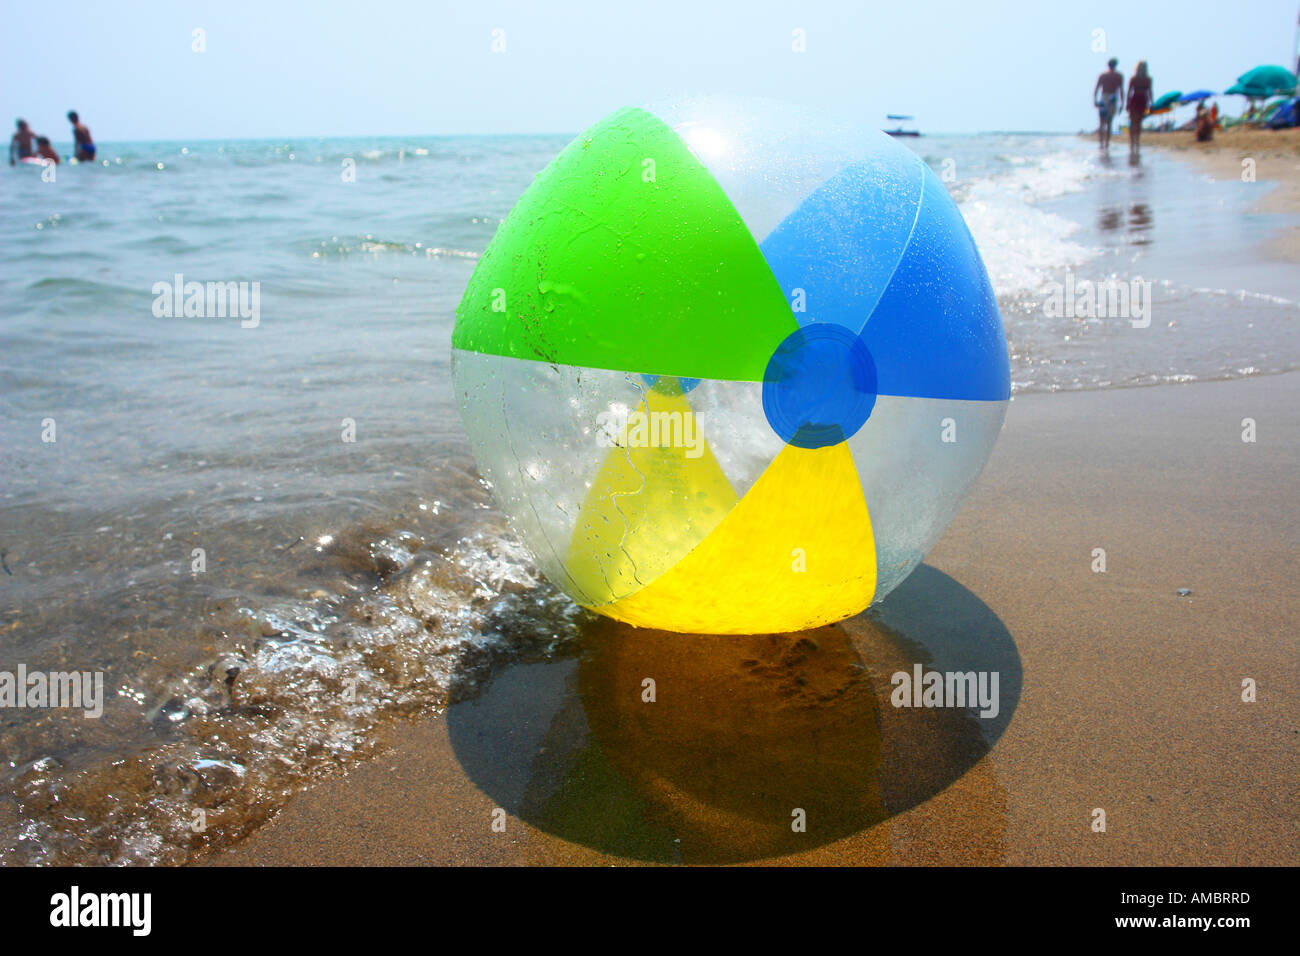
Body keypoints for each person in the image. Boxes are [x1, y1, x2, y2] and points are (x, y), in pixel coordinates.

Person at [1093, 58, 1125, 150]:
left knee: (1102, 122)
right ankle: (1106, 143)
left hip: (1105, 97)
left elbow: (1097, 88)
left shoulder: (1103, 75)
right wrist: (1122, 103)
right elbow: (1121, 90)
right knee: (1108, 122)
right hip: (1112, 98)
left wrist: (1095, 100)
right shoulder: (1118, 76)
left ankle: (1102, 143)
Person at [1126, 60, 1153, 156]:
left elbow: (1150, 91)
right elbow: (1129, 91)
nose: (1142, 69)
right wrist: (1127, 103)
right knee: (1133, 121)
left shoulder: (1148, 79)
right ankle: (1132, 141)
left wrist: (1151, 103)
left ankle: (1136, 141)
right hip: (1136, 98)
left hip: (1142, 99)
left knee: (1138, 122)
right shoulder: (1134, 78)